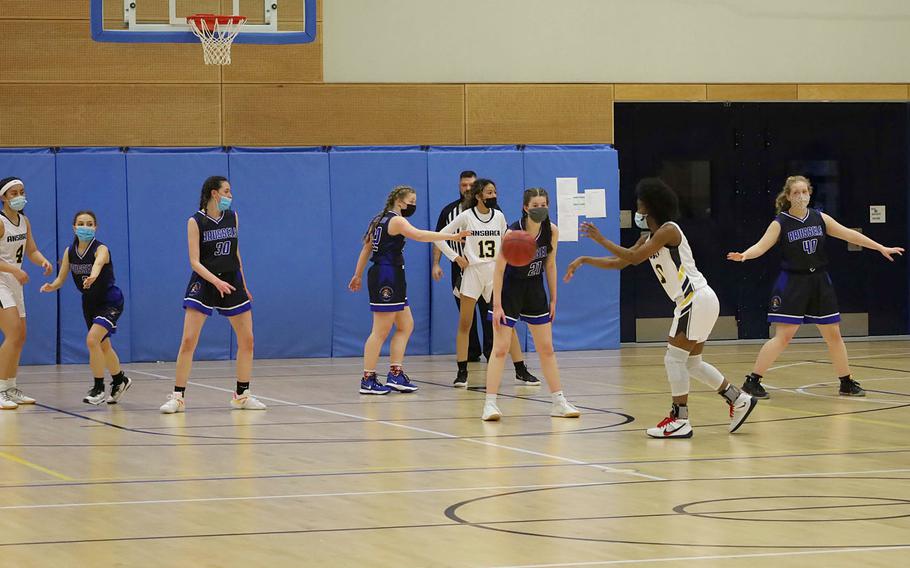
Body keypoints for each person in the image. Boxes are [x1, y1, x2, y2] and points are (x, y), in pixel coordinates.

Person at [565, 178, 756, 437]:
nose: (637, 211)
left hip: (694, 298)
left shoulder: (668, 230)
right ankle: (738, 398)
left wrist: (599, 238)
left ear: (651, 208)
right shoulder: (649, 237)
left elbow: (633, 257)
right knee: (692, 363)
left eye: (640, 206)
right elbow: (622, 262)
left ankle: (680, 419)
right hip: (696, 301)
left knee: (674, 358)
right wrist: (585, 260)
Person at [728, 175, 904, 399]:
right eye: (796, 193)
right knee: (784, 336)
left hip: (819, 281)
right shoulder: (780, 222)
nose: (801, 196)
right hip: (792, 282)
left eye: (804, 192)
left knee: (834, 335)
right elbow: (761, 246)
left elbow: (849, 234)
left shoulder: (819, 218)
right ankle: (752, 381)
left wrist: (880, 247)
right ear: (788, 197)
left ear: (810, 194)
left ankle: (846, 382)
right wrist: (744, 255)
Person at [350, 185, 470, 395]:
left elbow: (366, 248)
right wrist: (450, 237)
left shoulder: (379, 219)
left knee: (406, 325)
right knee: (380, 330)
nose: (413, 206)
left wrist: (358, 274)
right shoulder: (396, 220)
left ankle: (395, 373)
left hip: (391, 274)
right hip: (386, 276)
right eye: (411, 202)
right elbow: (419, 235)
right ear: (399, 201)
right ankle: (367, 378)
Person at [160, 176, 264, 414]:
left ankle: (242, 394)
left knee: (247, 340)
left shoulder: (232, 217)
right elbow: (194, 262)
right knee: (188, 341)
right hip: (206, 281)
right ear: (214, 194)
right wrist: (215, 281)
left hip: (231, 280)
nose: (230, 195)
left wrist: (244, 284)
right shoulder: (195, 221)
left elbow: (236, 254)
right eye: (226, 191)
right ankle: (178, 397)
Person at [482, 188, 580, 421]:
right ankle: (490, 404)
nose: (540, 208)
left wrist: (554, 298)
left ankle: (558, 401)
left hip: (535, 289)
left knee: (547, 348)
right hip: (510, 289)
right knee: (501, 348)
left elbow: (551, 265)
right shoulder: (512, 233)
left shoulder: (551, 230)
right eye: (535, 205)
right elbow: (499, 269)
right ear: (526, 207)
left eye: (543, 204)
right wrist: (497, 305)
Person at [435, 178, 540, 388]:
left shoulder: (499, 216)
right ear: (478, 196)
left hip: (495, 273)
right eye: (489, 193)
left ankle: (521, 370)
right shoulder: (466, 216)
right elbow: (439, 236)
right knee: (466, 324)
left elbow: (506, 243)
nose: (493, 196)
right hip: (473, 273)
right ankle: (462, 372)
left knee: (507, 324)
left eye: (494, 192)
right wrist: (455, 258)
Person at [40, 211, 131, 405]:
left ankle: (98, 388)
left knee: (92, 340)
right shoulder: (69, 252)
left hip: (109, 300)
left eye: (90, 224)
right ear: (74, 227)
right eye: (81, 224)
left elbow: (98, 263)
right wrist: (51, 286)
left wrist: (94, 275)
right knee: (103, 346)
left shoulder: (101, 249)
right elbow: (61, 278)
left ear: (95, 227)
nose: (85, 227)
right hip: (89, 303)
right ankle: (119, 379)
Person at [0, 177, 52, 410]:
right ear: (3, 198)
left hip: (15, 282)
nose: (19, 196)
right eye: (13, 193)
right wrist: (13, 270)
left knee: (20, 336)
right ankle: (0, 389)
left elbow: (31, 250)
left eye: (21, 191)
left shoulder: (24, 221)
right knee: (12, 333)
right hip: (1, 281)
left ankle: (11, 386)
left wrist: (43, 261)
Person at [432, 170, 491, 361]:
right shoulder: (449, 211)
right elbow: (438, 237)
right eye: (463, 185)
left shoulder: (491, 212)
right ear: (459, 186)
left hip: (485, 267)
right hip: (461, 268)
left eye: (470, 185)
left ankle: (491, 351)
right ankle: (471, 352)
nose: (467, 189)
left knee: (487, 311)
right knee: (467, 314)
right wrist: (436, 263)